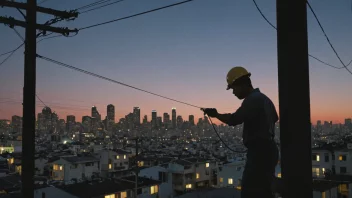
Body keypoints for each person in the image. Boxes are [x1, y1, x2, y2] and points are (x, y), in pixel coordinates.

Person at [203, 66, 279, 198]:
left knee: (250, 192)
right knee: (264, 190)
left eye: (233, 88)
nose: (233, 92)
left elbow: (234, 119)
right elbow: (275, 117)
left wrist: (216, 114)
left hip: (259, 153)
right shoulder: (265, 99)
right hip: (269, 150)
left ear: (242, 84)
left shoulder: (252, 99)